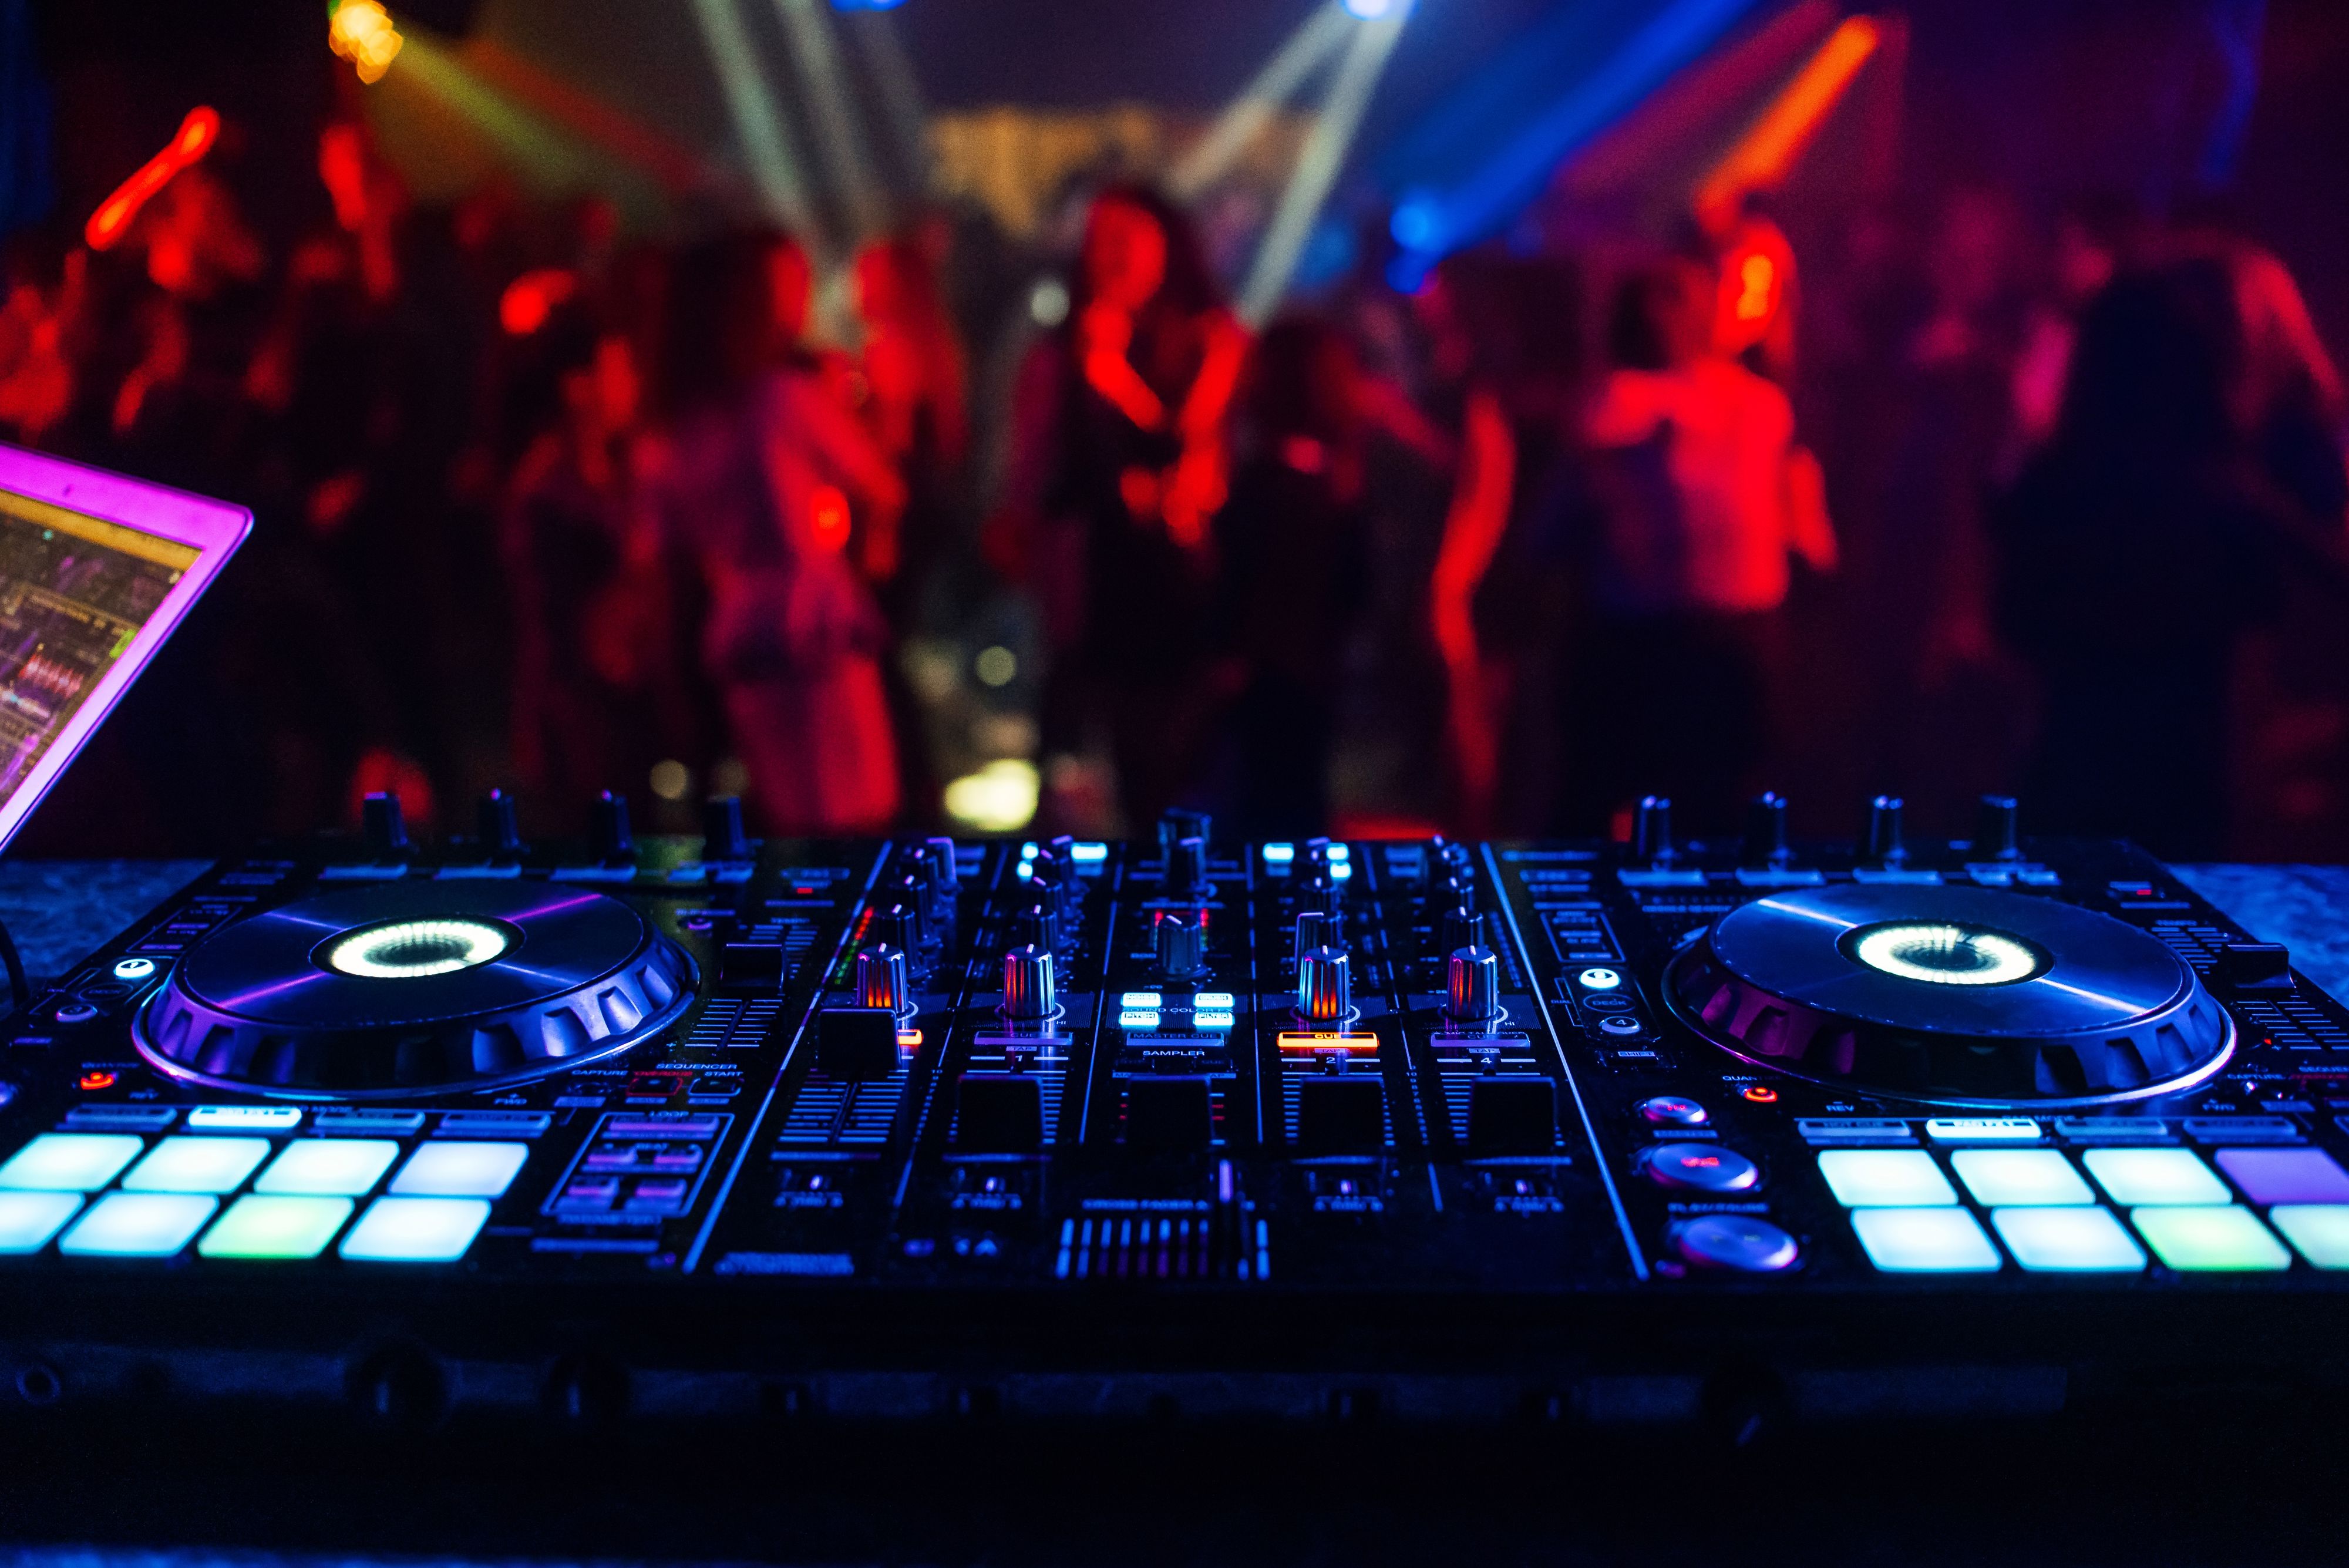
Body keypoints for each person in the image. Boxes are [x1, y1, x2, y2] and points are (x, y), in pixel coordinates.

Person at [1993, 257, 2307, 858]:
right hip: (2186, 781)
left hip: (2068, 773)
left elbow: (2016, 625)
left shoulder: (2058, 487)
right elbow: (2258, 636)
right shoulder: (2227, 498)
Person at [989, 184, 1248, 832]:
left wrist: (1108, 372)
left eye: (1131, 240)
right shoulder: (1061, 351)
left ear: (1166, 246)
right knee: (1080, 721)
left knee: (1165, 742)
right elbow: (1035, 457)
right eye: (1102, 240)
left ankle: (1169, 879)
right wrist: (1016, 518)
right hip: (1090, 565)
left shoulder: (1207, 337)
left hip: (1176, 570)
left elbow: (1187, 440)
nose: (1114, 256)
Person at [1560, 256, 1835, 834]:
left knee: (1726, 797)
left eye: (1678, 297)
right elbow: (1574, 504)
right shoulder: (1614, 402)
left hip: (1738, 632)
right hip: (1646, 634)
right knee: (1635, 793)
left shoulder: (1759, 403)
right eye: (1656, 299)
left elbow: (1793, 486)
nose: (1666, 313)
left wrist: (1812, 550)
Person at [646, 229, 906, 834]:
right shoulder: (781, 399)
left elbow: (667, 547)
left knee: (790, 811)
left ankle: (803, 924)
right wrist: (864, 566)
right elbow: (882, 488)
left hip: (740, 623)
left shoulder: (674, 419)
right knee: (853, 808)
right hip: (813, 621)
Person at [500, 300, 675, 812]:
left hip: (628, 712)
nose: (632, 384)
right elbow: (557, 628)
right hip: (580, 727)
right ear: (578, 386)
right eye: (618, 370)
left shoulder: (623, 471)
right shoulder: (546, 493)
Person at [1217, 315, 1372, 836]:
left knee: (1257, 819)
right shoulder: (1333, 493)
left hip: (1261, 680)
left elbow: (1233, 589)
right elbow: (1358, 591)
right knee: (1298, 812)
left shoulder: (1262, 490)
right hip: (1312, 677)